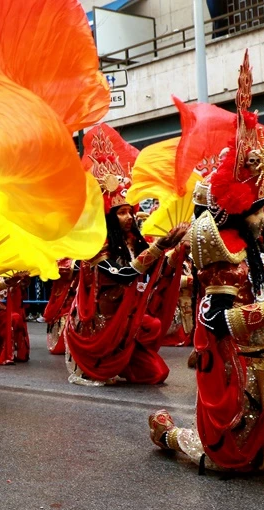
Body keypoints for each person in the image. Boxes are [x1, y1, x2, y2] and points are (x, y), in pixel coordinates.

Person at [149, 53, 264, 473]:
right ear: (239, 209)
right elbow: (217, 320)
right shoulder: (219, 244)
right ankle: (170, 434)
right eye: (258, 208)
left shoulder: (259, 236)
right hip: (234, 361)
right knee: (229, 460)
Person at [64, 124, 188, 386]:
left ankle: (126, 357)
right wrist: (159, 246)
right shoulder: (95, 247)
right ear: (109, 216)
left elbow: (158, 269)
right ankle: (99, 361)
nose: (130, 217)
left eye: (130, 211)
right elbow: (123, 274)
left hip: (128, 323)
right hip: (102, 325)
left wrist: (176, 251)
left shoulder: (135, 241)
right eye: (122, 213)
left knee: (157, 373)